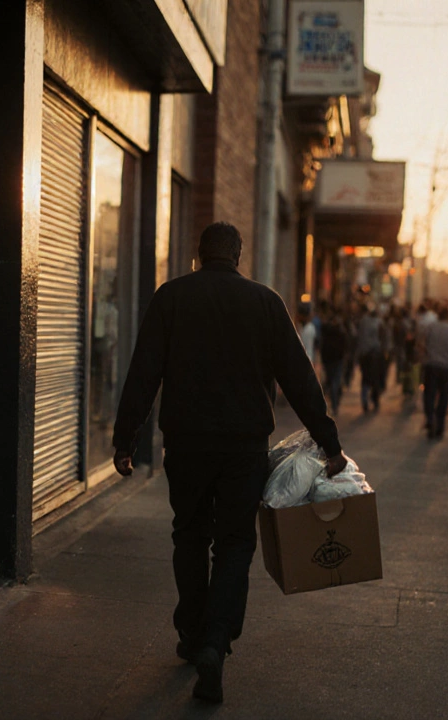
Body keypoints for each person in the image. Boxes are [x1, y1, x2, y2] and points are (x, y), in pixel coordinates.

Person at [111, 222, 347, 703]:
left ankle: (192, 635)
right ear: (238, 255)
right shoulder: (264, 302)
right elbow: (299, 378)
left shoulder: (171, 297)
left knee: (190, 534)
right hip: (243, 447)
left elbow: (143, 371)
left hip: (186, 442)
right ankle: (216, 643)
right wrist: (328, 442)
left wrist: (124, 439)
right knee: (235, 545)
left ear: (198, 254)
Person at [419, 305, 448, 439]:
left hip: (431, 365)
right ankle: (440, 425)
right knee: (444, 397)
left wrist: (426, 355)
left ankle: (430, 419)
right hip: (447, 367)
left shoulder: (431, 327)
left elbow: (421, 343)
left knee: (429, 395)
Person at [355, 306, 385, 413]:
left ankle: (364, 401)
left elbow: (358, 337)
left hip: (364, 354)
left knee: (365, 378)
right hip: (375, 354)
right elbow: (382, 338)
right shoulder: (379, 322)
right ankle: (375, 400)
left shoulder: (363, 321)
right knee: (375, 378)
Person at [319, 307, 348, 416]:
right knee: (336, 381)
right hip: (338, 360)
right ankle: (335, 404)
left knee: (331, 381)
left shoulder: (326, 332)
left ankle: (332, 402)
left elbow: (322, 346)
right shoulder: (340, 332)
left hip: (328, 360)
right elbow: (345, 345)